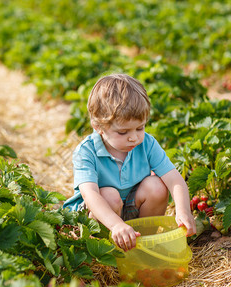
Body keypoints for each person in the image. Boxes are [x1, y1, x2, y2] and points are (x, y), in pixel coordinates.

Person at [63, 73, 196, 252]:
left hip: (129, 210)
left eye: (140, 128)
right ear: (98, 127)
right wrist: (116, 225)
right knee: (109, 195)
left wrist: (183, 211)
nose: (134, 138)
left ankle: (142, 242)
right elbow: (90, 196)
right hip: (98, 215)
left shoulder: (147, 143)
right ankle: (104, 249)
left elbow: (175, 180)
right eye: (123, 132)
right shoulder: (87, 151)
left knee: (157, 185)